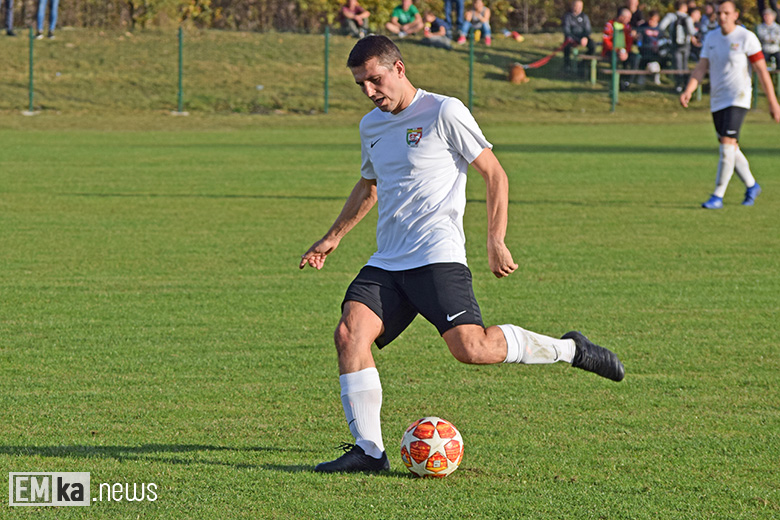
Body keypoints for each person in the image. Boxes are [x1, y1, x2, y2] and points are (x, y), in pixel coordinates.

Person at [299, 35, 626, 474]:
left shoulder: (444, 111)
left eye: (375, 80)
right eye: (361, 85)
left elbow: (495, 173)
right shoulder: (371, 126)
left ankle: (570, 350)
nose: (370, 92)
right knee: (349, 335)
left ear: (399, 68)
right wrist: (333, 236)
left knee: (472, 349)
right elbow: (369, 185)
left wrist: (496, 239)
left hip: (437, 255)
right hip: (388, 261)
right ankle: (369, 451)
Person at [680, 0, 780, 209]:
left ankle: (718, 195)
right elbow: (701, 67)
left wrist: (773, 102)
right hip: (718, 100)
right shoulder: (711, 38)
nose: (722, 16)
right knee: (730, 147)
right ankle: (752, 185)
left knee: (727, 144)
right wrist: (689, 89)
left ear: (735, 15)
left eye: (726, 12)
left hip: (739, 98)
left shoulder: (746, 38)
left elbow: (762, 71)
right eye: (719, 13)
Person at [659, 0, 697, 91]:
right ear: (683, 7)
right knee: (685, 65)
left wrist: (667, 35)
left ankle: (678, 85)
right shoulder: (687, 17)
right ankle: (685, 84)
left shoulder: (670, 16)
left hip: (675, 45)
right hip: (686, 44)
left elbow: (661, 27)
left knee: (677, 65)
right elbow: (692, 31)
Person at [602, 8, 639, 89]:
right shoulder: (610, 25)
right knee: (615, 59)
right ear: (621, 17)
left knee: (636, 57)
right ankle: (616, 82)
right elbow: (606, 41)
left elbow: (629, 42)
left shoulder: (627, 27)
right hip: (611, 51)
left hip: (624, 52)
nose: (629, 20)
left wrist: (626, 52)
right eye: (628, 18)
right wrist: (617, 51)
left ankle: (627, 82)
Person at [562, 0, 597, 72]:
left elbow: (588, 30)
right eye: (576, 6)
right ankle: (567, 66)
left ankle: (583, 63)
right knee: (566, 47)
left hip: (583, 38)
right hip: (572, 38)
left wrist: (585, 37)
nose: (578, 8)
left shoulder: (584, 17)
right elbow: (567, 30)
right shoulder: (567, 16)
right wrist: (577, 39)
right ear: (572, 6)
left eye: (580, 7)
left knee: (592, 46)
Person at [637, 10, 669, 83]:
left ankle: (657, 77)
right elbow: (639, 39)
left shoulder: (660, 29)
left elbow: (664, 40)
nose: (651, 21)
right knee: (641, 60)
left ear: (657, 19)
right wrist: (640, 46)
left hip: (656, 51)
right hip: (644, 50)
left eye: (653, 20)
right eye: (650, 19)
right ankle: (641, 77)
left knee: (661, 60)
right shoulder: (643, 27)